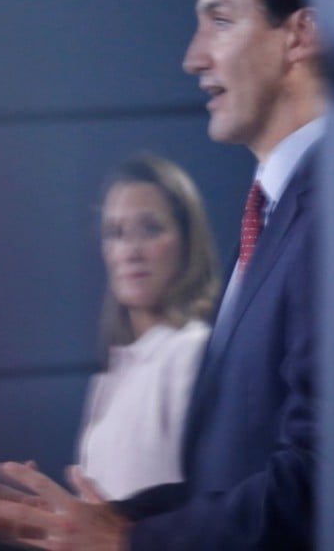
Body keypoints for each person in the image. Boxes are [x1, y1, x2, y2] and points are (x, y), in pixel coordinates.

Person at [0, 0, 327, 550]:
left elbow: (324, 477)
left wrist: (127, 541)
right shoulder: (278, 218)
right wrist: (93, 520)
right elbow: (232, 476)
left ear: (298, 35)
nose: (193, 56)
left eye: (221, 21)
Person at [78, 153, 219, 500]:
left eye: (150, 229)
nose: (130, 251)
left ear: (188, 240)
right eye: (115, 233)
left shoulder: (193, 351)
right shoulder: (111, 377)